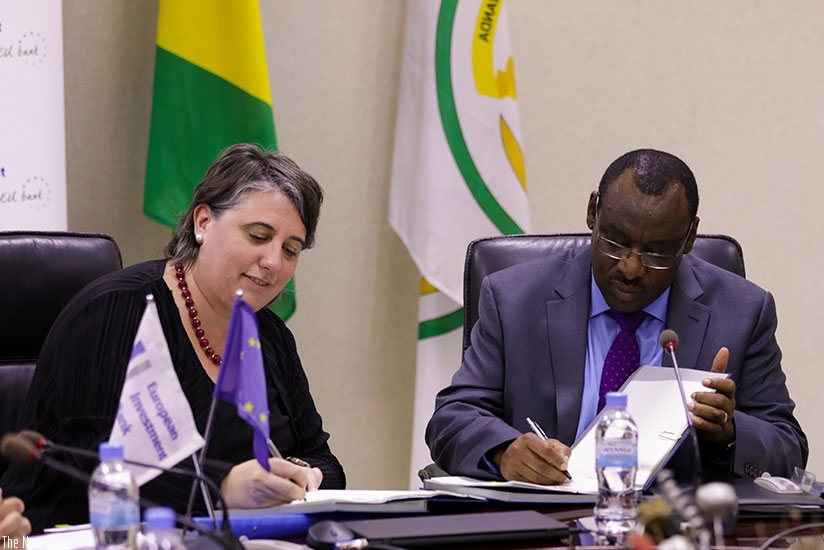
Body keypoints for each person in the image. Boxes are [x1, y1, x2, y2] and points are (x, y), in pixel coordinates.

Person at [0, 143, 345, 531]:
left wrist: (300, 473)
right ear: (202, 222)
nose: (273, 262)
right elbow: (100, 465)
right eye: (258, 235)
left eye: (290, 250)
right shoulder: (116, 313)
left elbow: (326, 464)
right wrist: (224, 488)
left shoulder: (269, 336)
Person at [425, 148, 808, 485]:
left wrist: (728, 432)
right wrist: (504, 452)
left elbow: (789, 448)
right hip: (546, 524)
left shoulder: (743, 311)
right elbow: (454, 417)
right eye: (616, 242)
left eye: (657, 253)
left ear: (689, 238)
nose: (630, 267)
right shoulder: (513, 298)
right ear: (593, 212)